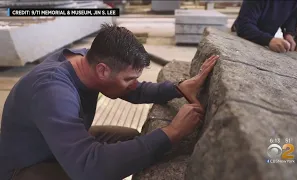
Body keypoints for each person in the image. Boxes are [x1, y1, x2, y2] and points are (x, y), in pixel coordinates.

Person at [0, 24, 219, 180]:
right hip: (27, 165)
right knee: (102, 166)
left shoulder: (89, 60)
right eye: (129, 78)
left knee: (137, 140)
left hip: (52, 143)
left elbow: (132, 90)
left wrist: (178, 88)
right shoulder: (53, 91)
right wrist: (173, 132)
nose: (133, 84)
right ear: (103, 70)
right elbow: (89, 168)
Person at [232, 0, 297, 53]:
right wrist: (268, 40)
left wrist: (289, 33)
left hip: (265, 41)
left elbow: (291, 16)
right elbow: (243, 26)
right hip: (242, 38)